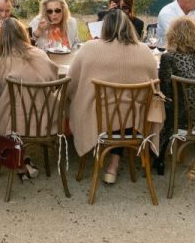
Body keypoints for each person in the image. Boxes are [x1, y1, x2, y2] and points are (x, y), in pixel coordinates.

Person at [67, 9, 160, 184]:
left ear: (104, 28)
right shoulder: (145, 51)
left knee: (90, 104)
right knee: (123, 109)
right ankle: (114, 164)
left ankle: (97, 153)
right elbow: (155, 87)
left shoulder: (89, 48)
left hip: (97, 118)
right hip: (135, 119)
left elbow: (70, 83)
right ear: (129, 26)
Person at [0, 18, 58, 181]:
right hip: (45, 120)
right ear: (23, 33)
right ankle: (22, 159)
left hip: (12, 125)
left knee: (1, 106)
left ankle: (19, 159)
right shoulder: (40, 55)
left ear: (2, 39)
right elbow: (53, 82)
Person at [156, 17, 195, 173]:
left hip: (182, 120)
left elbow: (166, 92)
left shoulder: (168, 57)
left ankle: (157, 157)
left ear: (172, 35)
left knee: (158, 103)